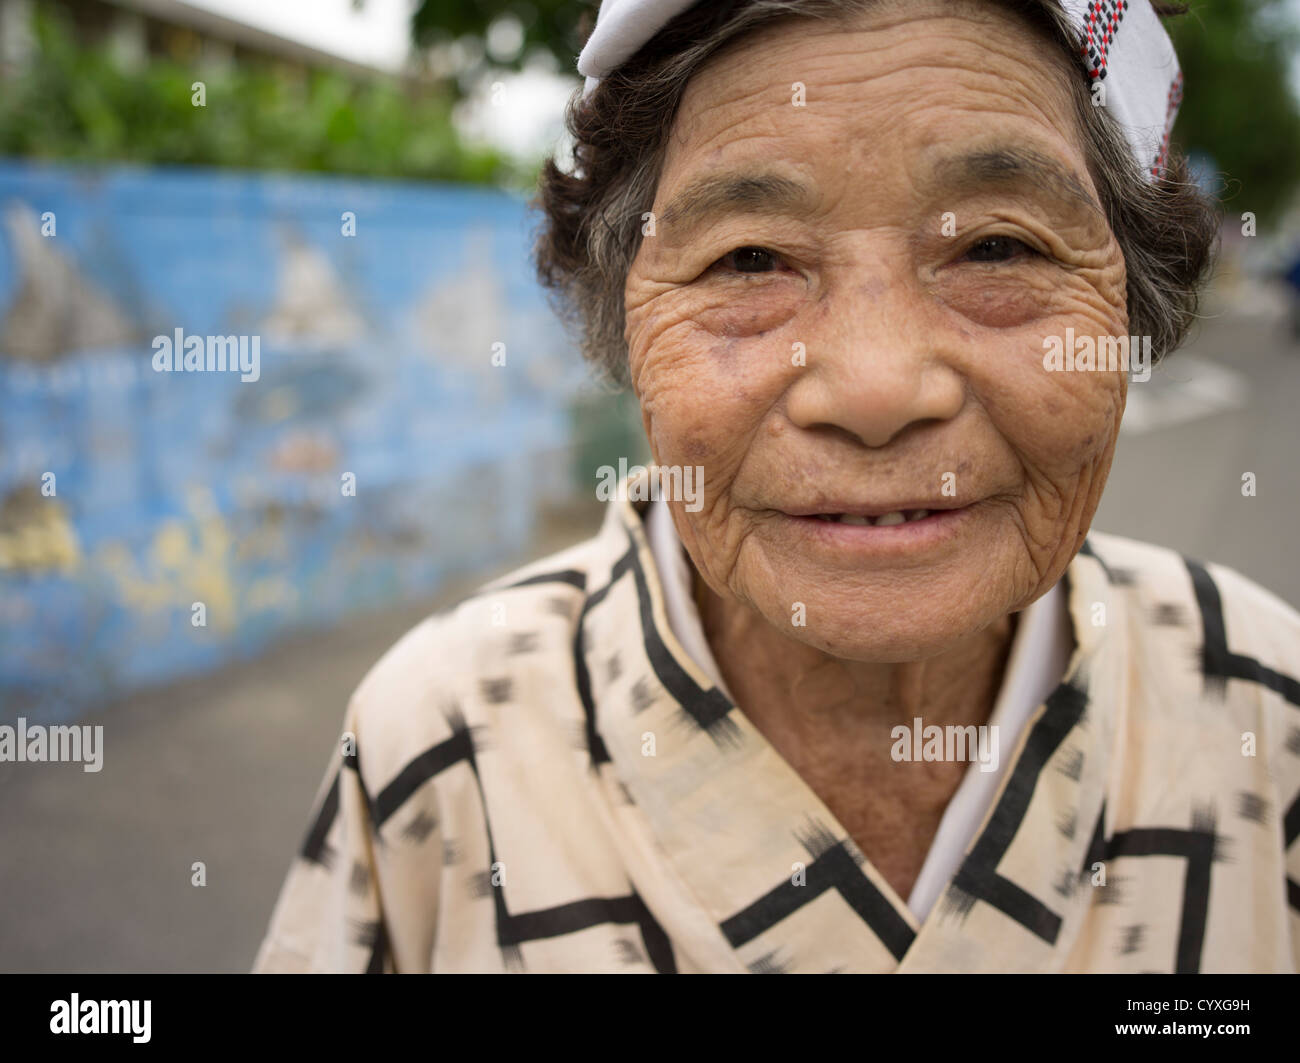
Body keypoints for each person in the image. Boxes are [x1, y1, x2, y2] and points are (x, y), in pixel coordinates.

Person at [253, 0, 1300, 973]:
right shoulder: (439, 740)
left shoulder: (1268, 710)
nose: (874, 388)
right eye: (750, 260)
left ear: (1131, 310)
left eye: (995, 245)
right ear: (623, 326)